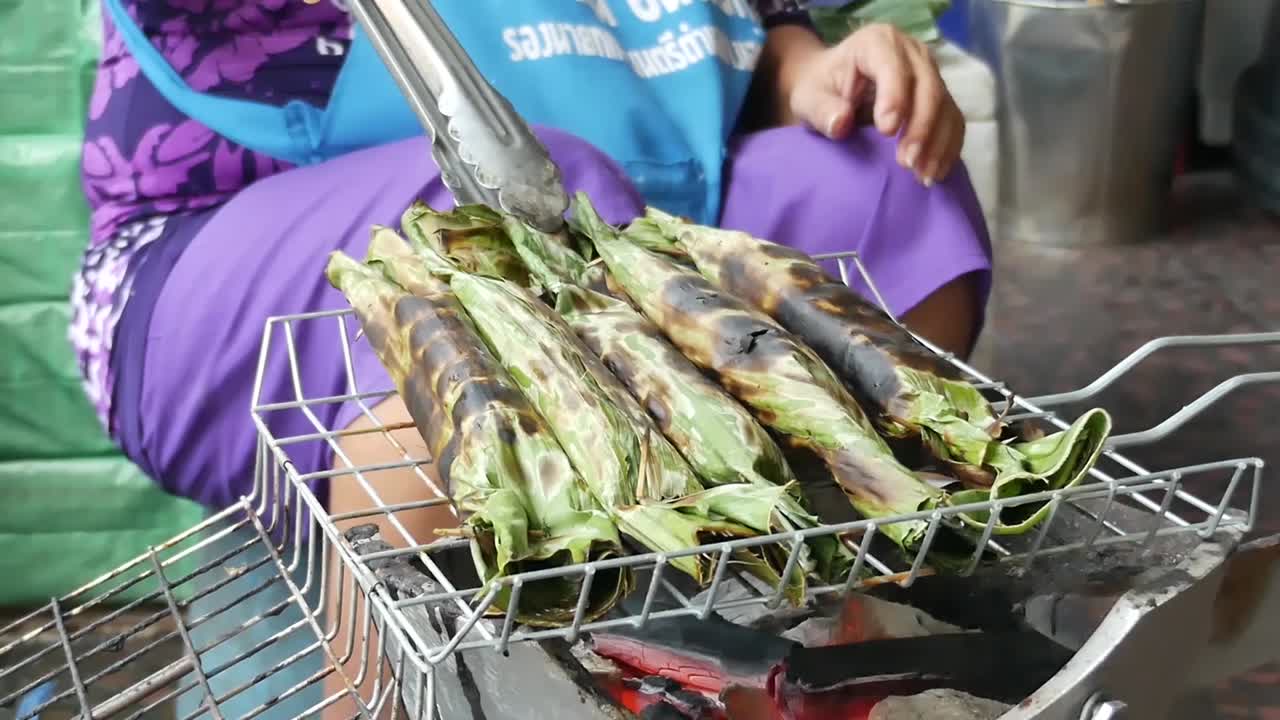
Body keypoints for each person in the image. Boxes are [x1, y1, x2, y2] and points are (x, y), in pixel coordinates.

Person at [71, 0, 990, 715]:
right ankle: (373, 692)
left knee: (890, 177)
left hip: (631, 214)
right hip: (231, 269)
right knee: (512, 201)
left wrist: (826, 73)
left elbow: (761, 48)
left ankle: (835, 600)